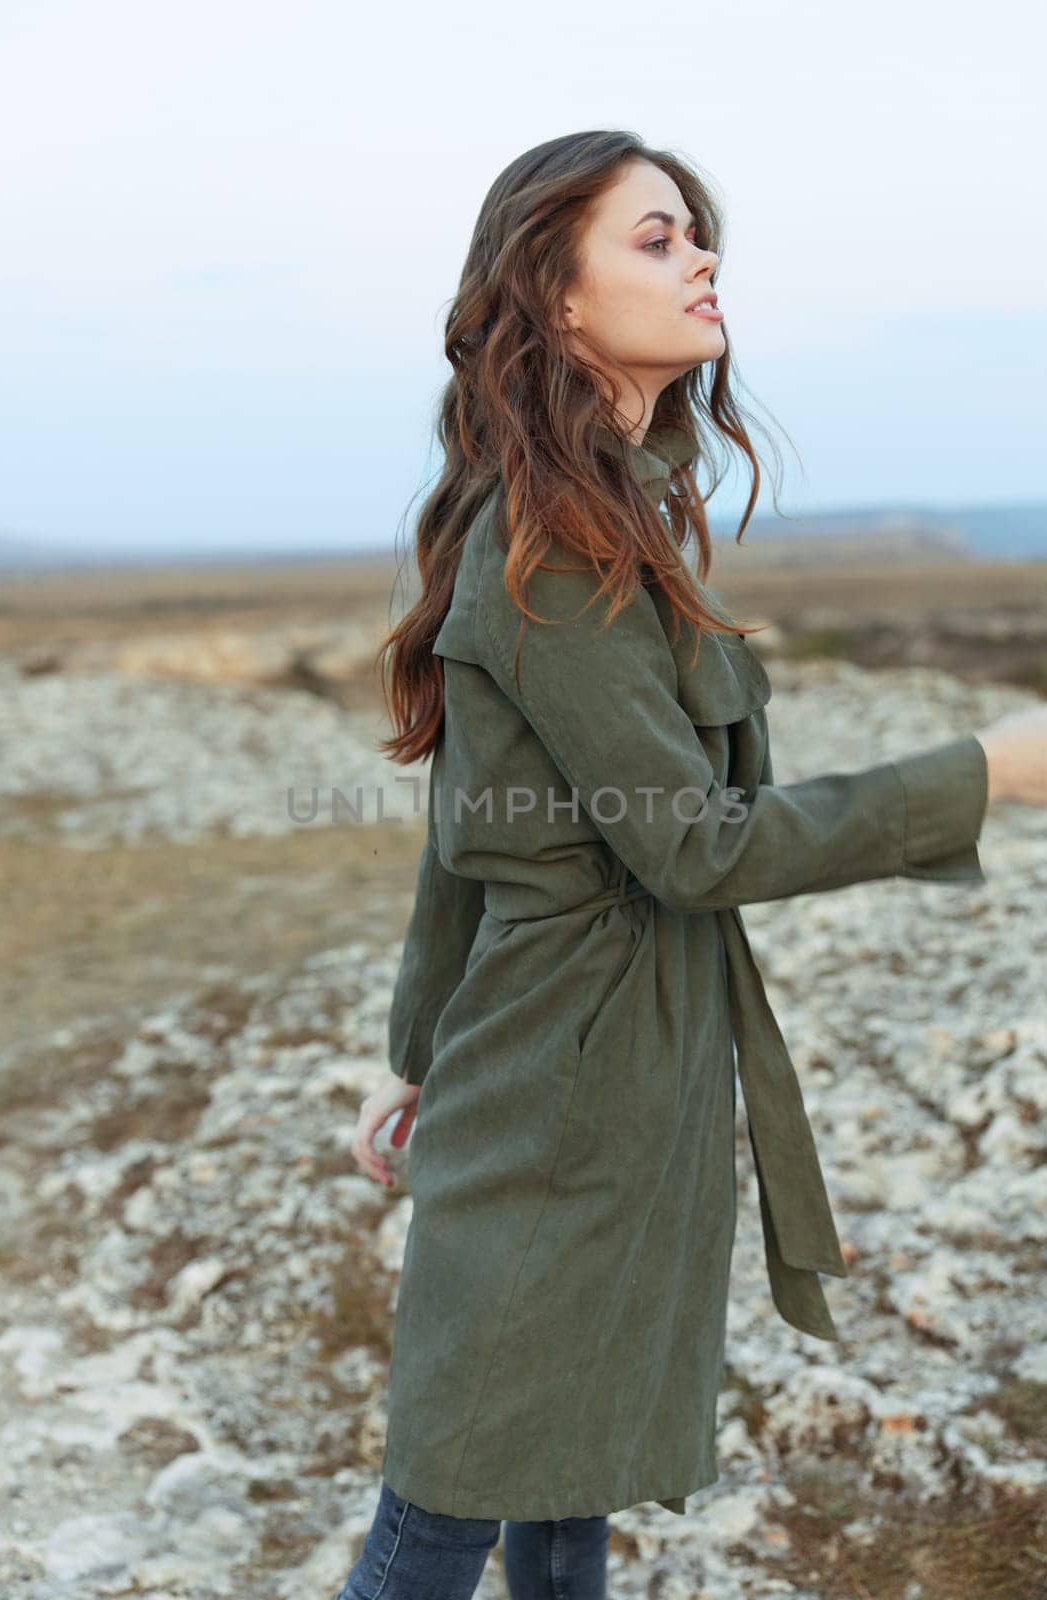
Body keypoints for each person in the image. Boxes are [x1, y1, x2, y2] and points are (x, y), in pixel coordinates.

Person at [336, 130, 1047, 1600]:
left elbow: (482, 824)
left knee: (571, 1472)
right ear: (561, 296)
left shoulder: (611, 513)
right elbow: (693, 847)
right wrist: (988, 772)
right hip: (562, 1083)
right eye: (656, 239)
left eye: (698, 236)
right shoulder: (549, 550)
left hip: (634, 1066)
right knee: (451, 1498)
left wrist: (413, 1051)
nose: (702, 259)